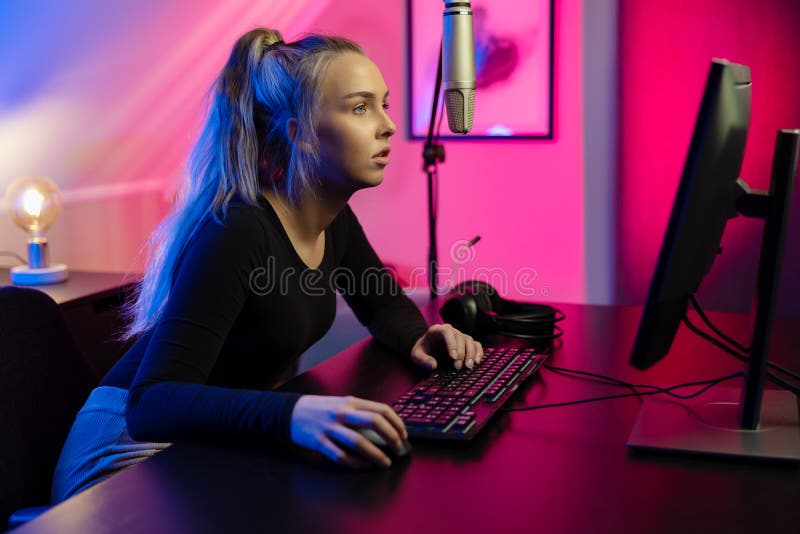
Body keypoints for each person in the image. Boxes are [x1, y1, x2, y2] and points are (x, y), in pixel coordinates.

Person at [51, 27, 484, 504]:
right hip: (124, 455)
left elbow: (381, 304)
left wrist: (418, 336)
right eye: (360, 108)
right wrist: (292, 412)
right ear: (298, 133)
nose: (387, 125)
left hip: (203, 437)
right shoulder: (238, 230)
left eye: (383, 104)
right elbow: (151, 402)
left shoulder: (332, 218)